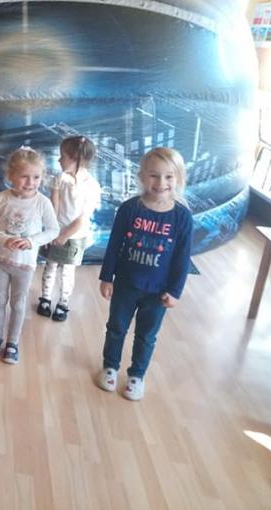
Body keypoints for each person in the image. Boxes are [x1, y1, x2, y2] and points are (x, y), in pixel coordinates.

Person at [96, 147, 192, 401]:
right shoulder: (129, 209)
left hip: (158, 292)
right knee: (116, 328)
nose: (161, 183)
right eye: (154, 175)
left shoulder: (182, 217)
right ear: (142, 176)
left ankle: (137, 375)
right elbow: (114, 245)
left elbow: (182, 258)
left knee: (147, 336)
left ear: (178, 178)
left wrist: (175, 291)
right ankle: (110, 367)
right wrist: (107, 277)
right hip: (126, 285)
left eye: (169, 176)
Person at [0, 147, 59, 365]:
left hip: (24, 265)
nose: (30, 182)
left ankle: (12, 342)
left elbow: (53, 230)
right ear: (11, 176)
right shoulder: (2, 198)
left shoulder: (43, 202)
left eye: (36, 177)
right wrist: (4, 239)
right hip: (1, 260)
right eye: (24, 176)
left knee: (18, 303)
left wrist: (31, 241)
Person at [37, 136, 101, 322]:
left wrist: (65, 235)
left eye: (63, 156)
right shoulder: (59, 179)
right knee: (50, 267)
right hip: (55, 232)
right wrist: (53, 231)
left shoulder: (91, 186)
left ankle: (63, 303)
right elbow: (53, 208)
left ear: (76, 158)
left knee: (67, 271)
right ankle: (45, 299)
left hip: (75, 236)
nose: (59, 160)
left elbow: (83, 218)